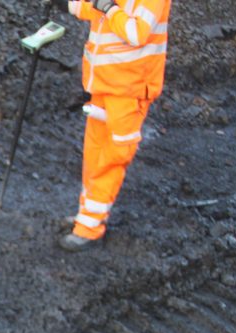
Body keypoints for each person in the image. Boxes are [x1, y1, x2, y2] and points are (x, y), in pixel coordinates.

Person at [59, 0, 171, 251]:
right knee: (94, 154)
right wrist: (66, 5)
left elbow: (136, 32)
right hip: (104, 85)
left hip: (129, 92)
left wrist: (109, 8)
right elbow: (95, 10)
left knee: (112, 158)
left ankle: (90, 228)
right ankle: (86, 215)